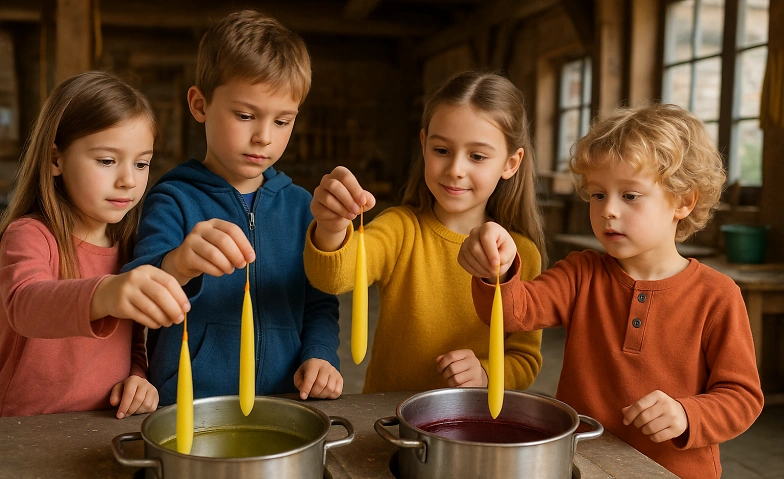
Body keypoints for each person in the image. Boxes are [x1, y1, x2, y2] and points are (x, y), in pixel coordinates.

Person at [459, 103, 764, 479]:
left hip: (676, 471)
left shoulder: (718, 296)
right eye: (598, 195)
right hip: (580, 464)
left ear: (684, 201)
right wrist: (500, 271)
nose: (608, 211)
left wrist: (688, 414)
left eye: (630, 196)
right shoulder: (580, 273)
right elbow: (515, 312)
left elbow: (742, 397)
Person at [123, 10, 342, 406]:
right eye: (245, 115)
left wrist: (321, 355)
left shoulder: (301, 207)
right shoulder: (172, 198)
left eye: (282, 121)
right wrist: (180, 263)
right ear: (200, 104)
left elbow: (319, 301)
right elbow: (135, 294)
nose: (263, 137)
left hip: (285, 399)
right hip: (189, 406)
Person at [304, 71, 544, 393]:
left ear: (510, 163)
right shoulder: (400, 229)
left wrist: (487, 373)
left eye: (477, 156)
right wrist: (332, 226)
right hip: (389, 420)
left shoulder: (521, 255)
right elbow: (335, 277)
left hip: (471, 426)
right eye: (442, 150)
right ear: (423, 144)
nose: (456, 169)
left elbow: (524, 357)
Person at [0, 71, 190, 418]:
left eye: (141, 163)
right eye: (107, 160)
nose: (128, 180)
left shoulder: (130, 246)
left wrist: (138, 376)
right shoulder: (29, 234)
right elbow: (24, 304)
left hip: (101, 429)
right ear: (55, 159)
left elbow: (132, 341)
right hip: (23, 434)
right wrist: (107, 292)